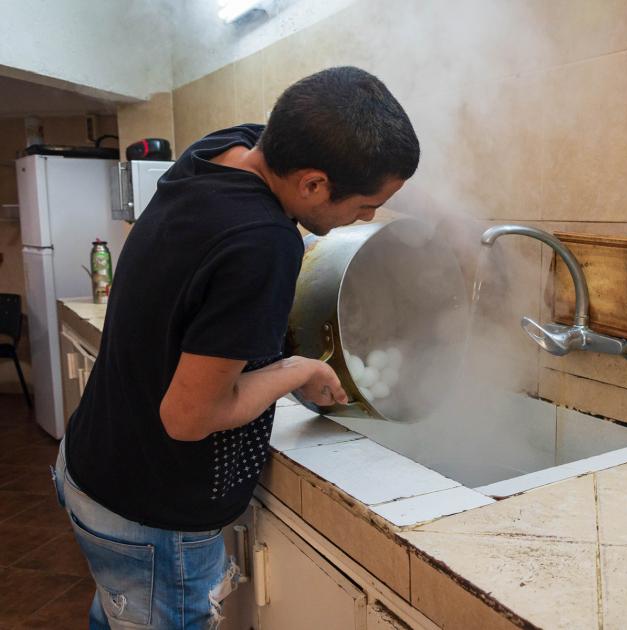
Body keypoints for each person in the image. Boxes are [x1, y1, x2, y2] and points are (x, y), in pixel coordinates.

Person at [52, 66, 420, 629]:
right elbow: (189, 417)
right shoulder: (264, 244)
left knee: (117, 612)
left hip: (96, 470)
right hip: (151, 519)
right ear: (313, 183)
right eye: (367, 204)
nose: (367, 218)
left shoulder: (229, 148)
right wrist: (297, 368)